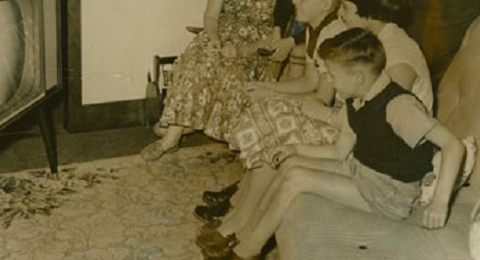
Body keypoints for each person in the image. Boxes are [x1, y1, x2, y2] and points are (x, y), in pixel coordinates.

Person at [196, 29, 464, 260]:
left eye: (333, 76)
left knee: (298, 179)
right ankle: (242, 235)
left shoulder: (398, 107)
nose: (330, 84)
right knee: (290, 165)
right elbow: (339, 151)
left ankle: (246, 251)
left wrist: (439, 203)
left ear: (359, 76)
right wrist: (295, 150)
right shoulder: (357, 98)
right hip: (363, 170)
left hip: (391, 193)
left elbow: (453, 145)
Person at [193, 0, 346, 224]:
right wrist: (268, 89)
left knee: (269, 128)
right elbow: (309, 80)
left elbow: (323, 98)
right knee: (259, 106)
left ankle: (243, 214)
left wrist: (272, 97)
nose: (294, 0)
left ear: (327, 3)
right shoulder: (313, 29)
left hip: (338, 123)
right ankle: (239, 199)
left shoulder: (332, 34)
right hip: (321, 109)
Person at [140, 0, 294, 161]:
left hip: (258, 46)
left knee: (231, 77)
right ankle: (170, 141)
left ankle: (176, 129)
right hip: (219, 35)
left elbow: (282, 27)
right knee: (194, 66)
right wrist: (215, 41)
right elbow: (211, 16)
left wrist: (245, 50)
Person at [302, 0, 433, 121]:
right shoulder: (369, 39)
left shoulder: (399, 53)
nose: (339, 14)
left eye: (345, 7)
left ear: (367, 11)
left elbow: (380, 119)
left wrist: (326, 115)